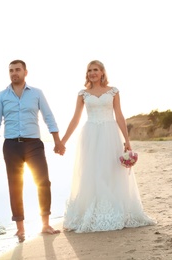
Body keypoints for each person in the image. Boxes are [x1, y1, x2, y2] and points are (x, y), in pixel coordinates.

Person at [60, 60, 155, 233]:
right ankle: (93, 211)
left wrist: (127, 141)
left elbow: (119, 115)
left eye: (95, 70)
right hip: (90, 135)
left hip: (110, 133)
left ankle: (114, 209)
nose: (92, 73)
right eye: (89, 70)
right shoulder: (83, 94)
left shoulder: (113, 91)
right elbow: (75, 119)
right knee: (92, 171)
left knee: (111, 170)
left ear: (103, 72)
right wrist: (63, 141)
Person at [0, 60, 64, 242]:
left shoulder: (37, 94)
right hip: (11, 145)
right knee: (15, 186)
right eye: (11, 70)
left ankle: (45, 223)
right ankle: (20, 228)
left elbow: (48, 117)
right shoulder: (2, 96)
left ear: (25, 72)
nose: (14, 73)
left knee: (43, 182)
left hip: (34, 144)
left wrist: (57, 141)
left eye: (17, 70)